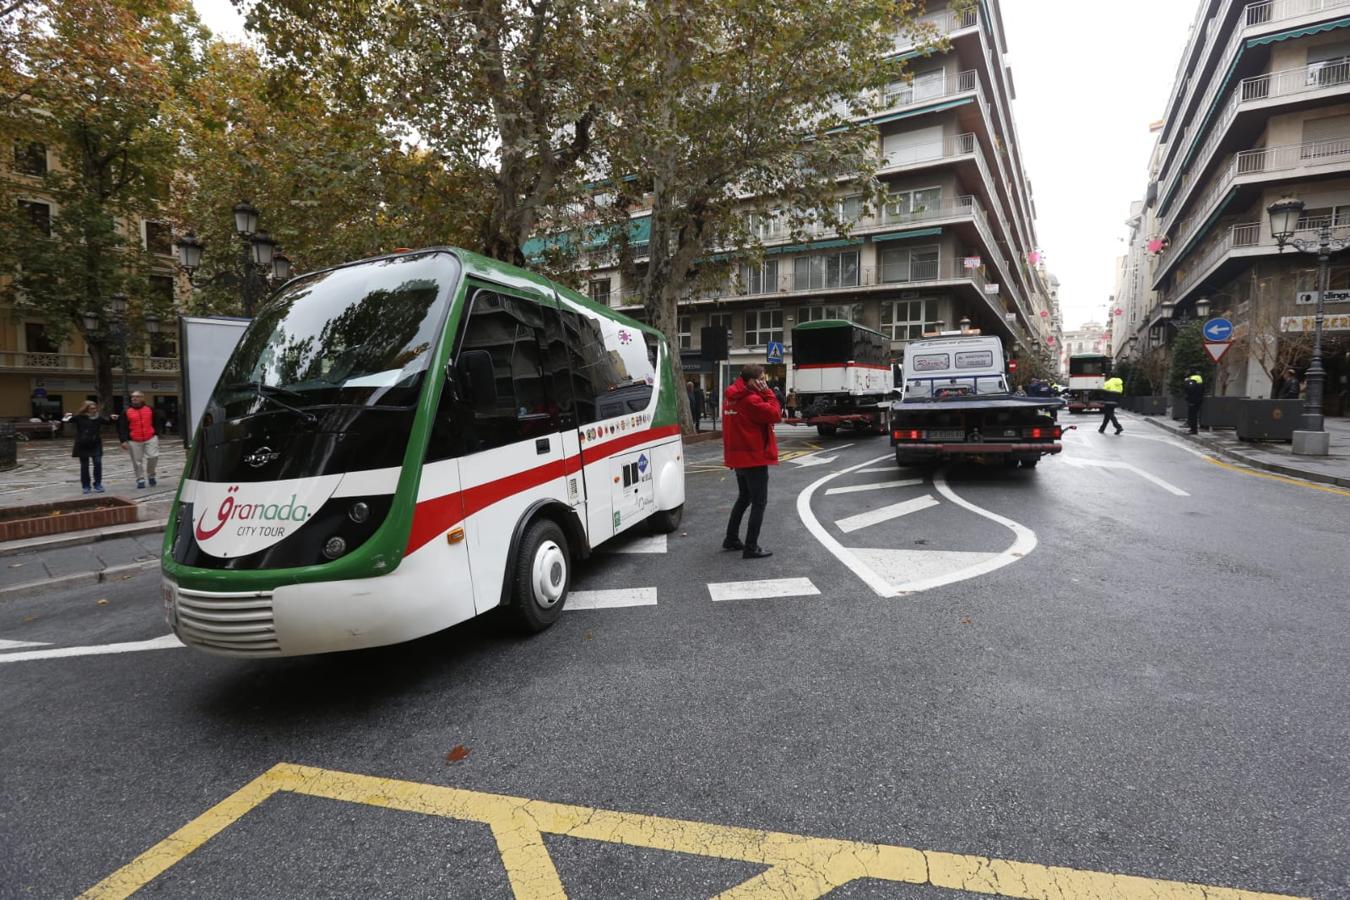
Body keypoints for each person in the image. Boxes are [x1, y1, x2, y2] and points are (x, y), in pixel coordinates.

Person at [722, 364, 781, 560]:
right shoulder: (752, 400)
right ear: (751, 381)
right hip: (754, 457)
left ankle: (731, 538)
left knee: (744, 498)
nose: (764, 383)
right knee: (759, 502)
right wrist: (769, 393)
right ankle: (751, 546)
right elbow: (775, 414)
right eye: (762, 379)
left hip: (738, 457)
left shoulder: (731, 398)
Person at [62, 401, 115, 494]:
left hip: (95, 444)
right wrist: (66, 416)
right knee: (84, 466)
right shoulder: (79, 417)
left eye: (95, 408)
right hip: (82, 444)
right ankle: (86, 486)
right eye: (92, 408)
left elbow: (108, 423)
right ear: (86, 409)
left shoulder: (98, 418)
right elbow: (66, 420)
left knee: (98, 464)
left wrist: (112, 418)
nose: (94, 410)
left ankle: (97, 484)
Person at [116, 391, 165, 488]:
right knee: (137, 461)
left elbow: (159, 420)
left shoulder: (150, 409)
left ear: (143, 398)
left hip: (150, 437)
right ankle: (140, 479)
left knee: (153, 456)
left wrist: (156, 432)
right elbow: (121, 427)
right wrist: (123, 440)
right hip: (134, 439)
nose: (134, 398)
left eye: (137, 397)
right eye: (133, 397)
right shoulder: (126, 411)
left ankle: (151, 475)